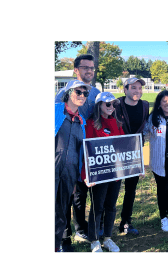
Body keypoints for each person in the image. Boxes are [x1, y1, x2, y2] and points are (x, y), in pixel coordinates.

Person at [54, 54, 101, 249]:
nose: (89, 71)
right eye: (85, 67)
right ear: (76, 70)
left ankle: (76, 231)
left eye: (92, 68)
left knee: (72, 199)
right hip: (57, 160)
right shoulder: (57, 105)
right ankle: (64, 239)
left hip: (79, 158)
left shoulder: (96, 93)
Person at [82, 92, 124, 253]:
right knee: (97, 207)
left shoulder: (118, 123)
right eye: (108, 104)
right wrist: (86, 174)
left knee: (111, 206)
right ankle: (94, 240)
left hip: (115, 173)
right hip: (98, 174)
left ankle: (107, 237)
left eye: (113, 104)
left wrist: (134, 167)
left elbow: (123, 147)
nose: (111, 108)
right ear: (99, 105)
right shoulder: (91, 124)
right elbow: (87, 151)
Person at [54, 79, 89, 252]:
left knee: (61, 212)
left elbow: (80, 152)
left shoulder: (81, 122)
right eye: (78, 92)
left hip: (69, 173)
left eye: (85, 93)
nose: (82, 96)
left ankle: (55, 246)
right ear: (68, 94)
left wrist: (75, 179)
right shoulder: (55, 111)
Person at [143, 90, 168, 232]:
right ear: (159, 103)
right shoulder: (153, 118)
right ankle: (163, 218)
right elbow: (143, 134)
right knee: (161, 189)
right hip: (158, 160)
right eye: (164, 101)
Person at [114, 77, 149, 235]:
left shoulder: (145, 105)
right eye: (133, 88)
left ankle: (125, 222)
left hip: (135, 152)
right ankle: (102, 223)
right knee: (112, 189)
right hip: (115, 153)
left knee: (131, 189)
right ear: (125, 89)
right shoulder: (116, 105)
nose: (137, 91)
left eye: (140, 88)